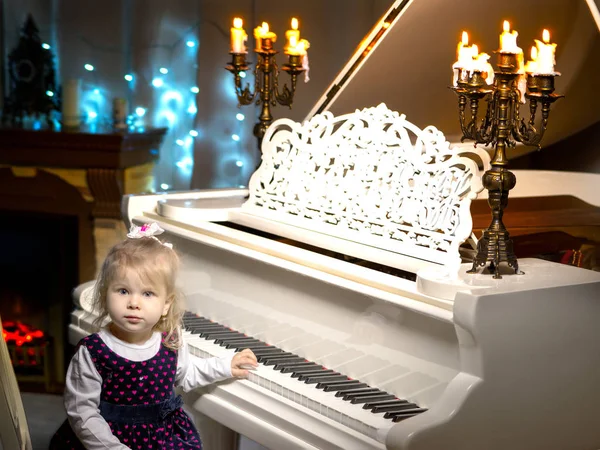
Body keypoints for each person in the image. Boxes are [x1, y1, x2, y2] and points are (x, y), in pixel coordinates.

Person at [49, 222, 257, 450]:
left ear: (166, 304)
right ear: (104, 294)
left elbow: (187, 373)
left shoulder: (170, 340)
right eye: (123, 291)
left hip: (161, 439)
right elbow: (82, 412)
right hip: (108, 440)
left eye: (148, 293)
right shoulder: (93, 351)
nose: (134, 303)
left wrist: (225, 365)